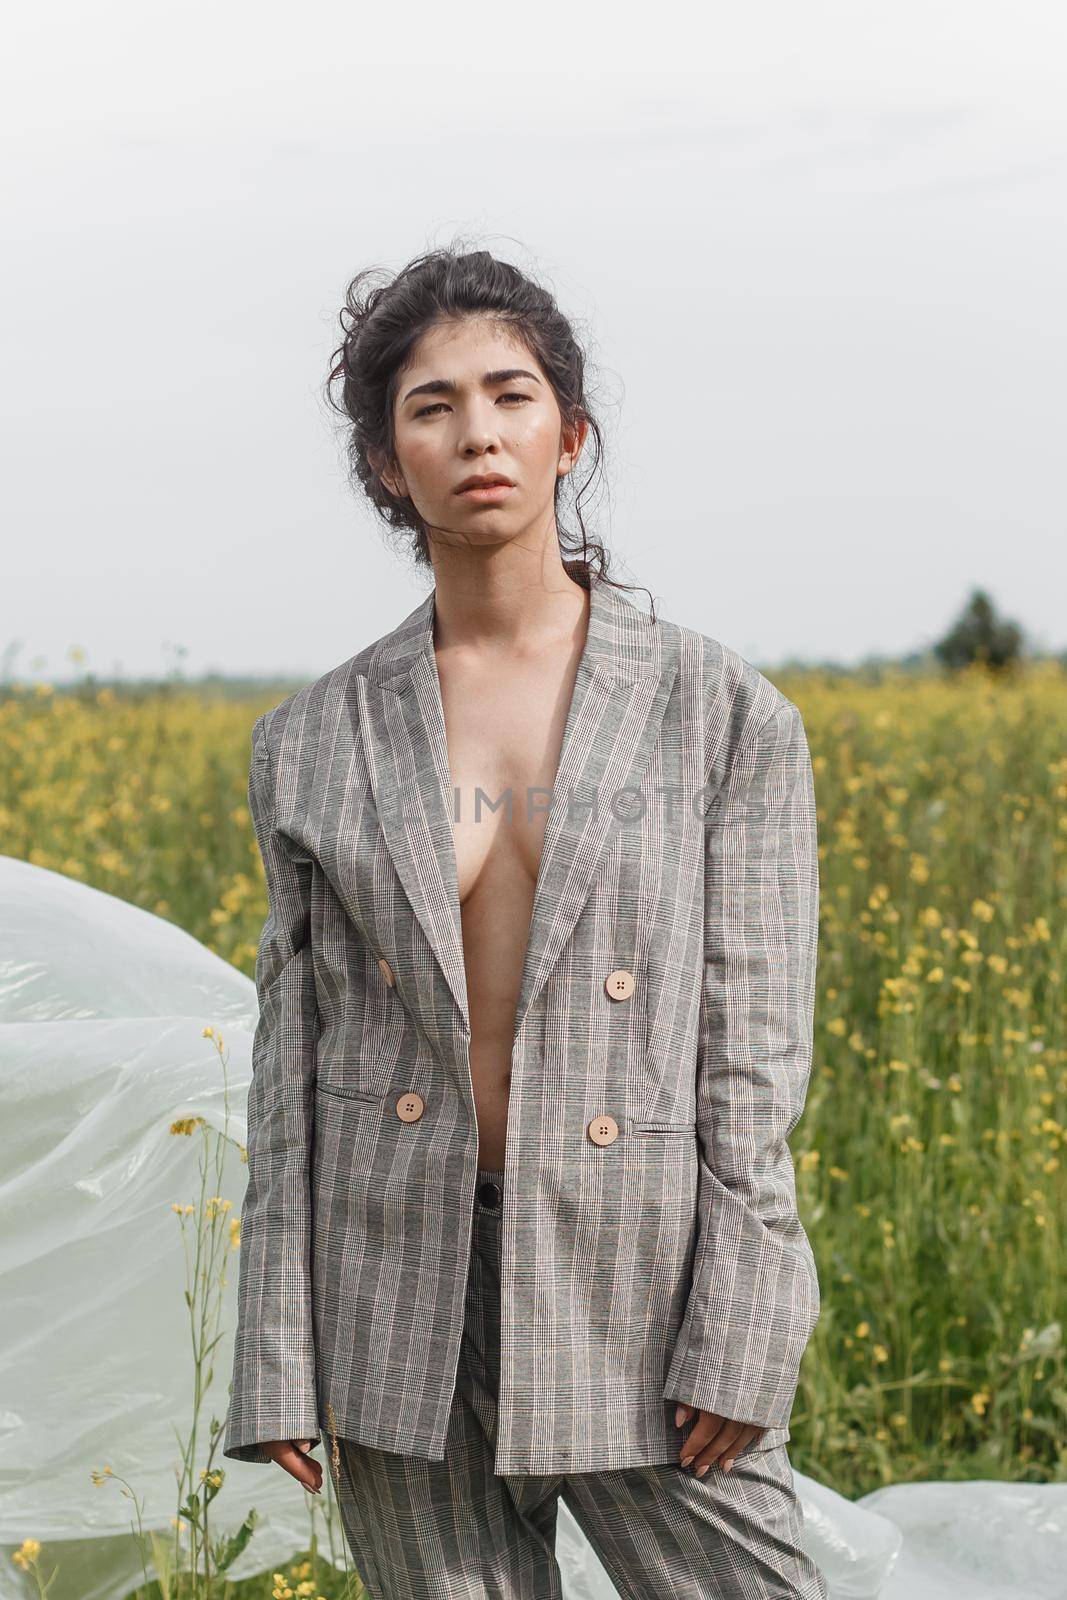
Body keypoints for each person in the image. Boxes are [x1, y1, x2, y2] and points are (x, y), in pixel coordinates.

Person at [223, 244, 829, 1599]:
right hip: (397, 1295)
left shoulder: (719, 713)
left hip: (643, 1283)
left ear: (572, 435)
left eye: (511, 395)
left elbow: (754, 1059)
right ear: (388, 463)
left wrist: (742, 1325)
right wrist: (277, 1350)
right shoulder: (312, 740)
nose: (476, 433)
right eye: (430, 407)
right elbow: (292, 1069)